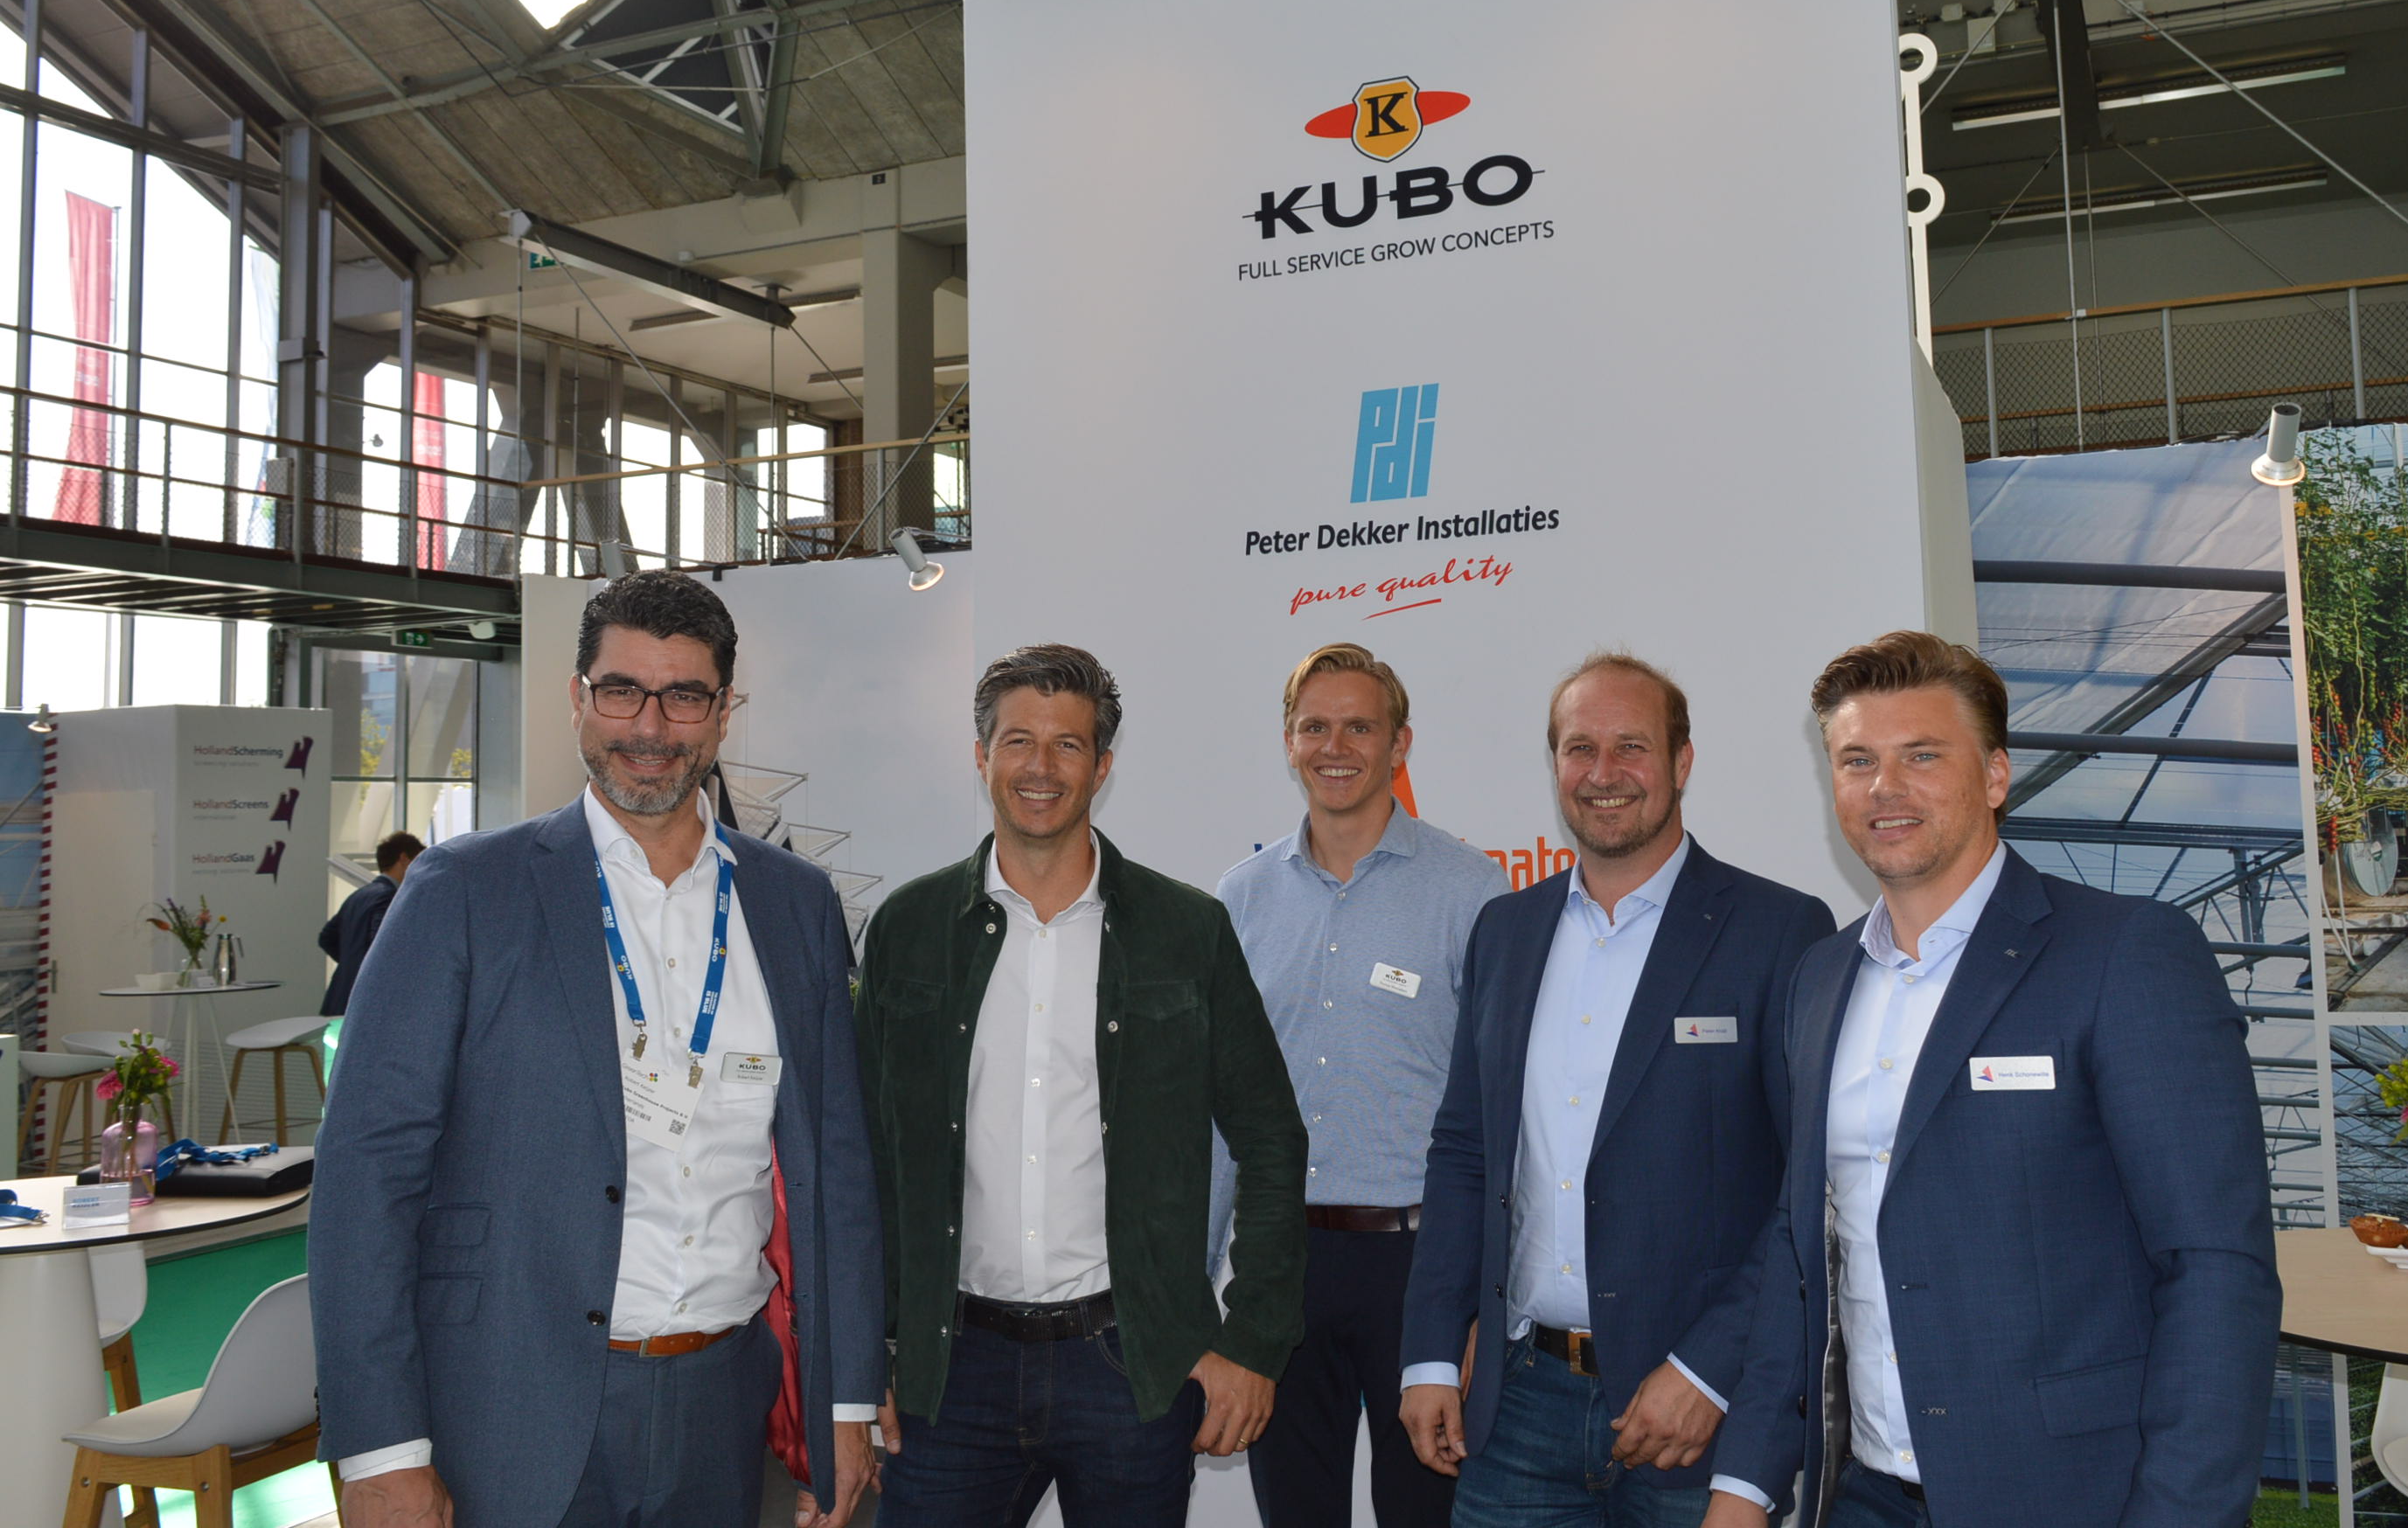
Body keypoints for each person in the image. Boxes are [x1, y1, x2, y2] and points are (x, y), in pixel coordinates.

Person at [312, 571, 884, 1528]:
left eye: (685, 695)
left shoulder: (794, 904)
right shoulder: (465, 890)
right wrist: (380, 1451)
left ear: (724, 714)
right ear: (577, 698)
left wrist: (847, 1401)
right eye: (622, 690)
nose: (650, 726)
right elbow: (366, 1175)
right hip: (506, 1403)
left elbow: (837, 1173)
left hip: (723, 1406)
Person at [1702, 631, 2279, 1528]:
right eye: (1857, 760)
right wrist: (1742, 1485)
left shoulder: (2123, 954)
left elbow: (2214, 1270)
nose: (1884, 787)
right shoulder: (1818, 979)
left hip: (2073, 1497)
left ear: (1997, 775)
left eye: (1921, 755)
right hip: (1862, 1493)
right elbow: (1802, 1248)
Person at [855, 642, 1310, 1526]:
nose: (1041, 766)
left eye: (1067, 744)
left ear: (1102, 766)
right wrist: (862, 1356)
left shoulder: (1186, 929)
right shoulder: (909, 928)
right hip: (949, 1368)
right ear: (980, 755)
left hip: (1130, 1365)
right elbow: (864, 1156)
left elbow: (1269, 1137)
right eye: (1018, 741)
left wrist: (1252, 1338)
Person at [1400, 653, 1836, 1525]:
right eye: (1579, 748)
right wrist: (1431, 1354)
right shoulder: (1504, 930)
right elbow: (1464, 1151)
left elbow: (1807, 1185)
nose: (1603, 773)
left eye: (1630, 746)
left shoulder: (1778, 931)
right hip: (1516, 1403)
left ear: (1681, 762)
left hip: (1693, 1416)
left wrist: (1711, 1370)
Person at [1214, 642, 1510, 1528]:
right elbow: (1221, 1110)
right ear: (1288, 741)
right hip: (1279, 1265)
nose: (1334, 747)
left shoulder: (1470, 889)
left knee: (1425, 1513)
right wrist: (1196, 1288)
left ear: (1399, 743)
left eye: (1358, 727)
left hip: (1418, 1266)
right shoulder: (1239, 898)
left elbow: (1500, 1110)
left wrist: (1480, 1296)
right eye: (1314, 727)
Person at [318, 830, 421, 1017]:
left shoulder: (358, 896)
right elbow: (382, 945)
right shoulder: (389, 897)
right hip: (367, 1000)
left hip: (340, 996)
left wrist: (352, 962)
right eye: (419, 861)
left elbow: (326, 938)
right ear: (404, 859)